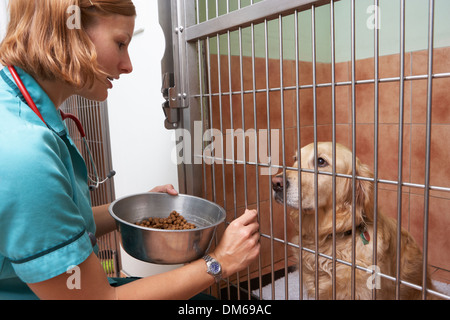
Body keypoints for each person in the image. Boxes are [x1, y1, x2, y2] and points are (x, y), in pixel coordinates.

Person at [0, 0, 260, 300]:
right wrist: (220, 262)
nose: (128, 65)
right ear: (69, 30)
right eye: (120, 42)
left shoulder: (24, 107)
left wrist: (130, 210)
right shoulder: (24, 151)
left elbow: (61, 222)